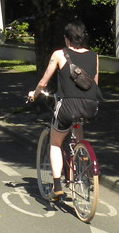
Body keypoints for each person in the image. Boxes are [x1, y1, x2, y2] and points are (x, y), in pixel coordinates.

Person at [28, 19, 100, 199]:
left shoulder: (59, 54)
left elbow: (44, 82)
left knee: (55, 142)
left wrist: (34, 94)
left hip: (67, 106)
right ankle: (83, 169)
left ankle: (57, 185)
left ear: (67, 39)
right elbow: (95, 84)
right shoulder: (94, 55)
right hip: (91, 106)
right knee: (78, 131)